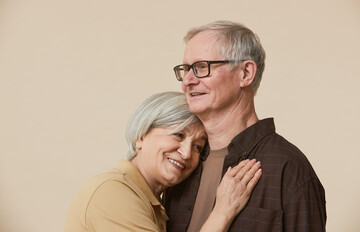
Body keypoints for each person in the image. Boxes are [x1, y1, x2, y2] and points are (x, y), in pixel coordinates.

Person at [164, 21, 327, 231]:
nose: (187, 80)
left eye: (201, 67)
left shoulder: (288, 169)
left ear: (246, 73)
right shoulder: (181, 165)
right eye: (185, 69)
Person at [65, 91, 262, 232]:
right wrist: (222, 213)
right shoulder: (111, 191)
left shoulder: (156, 204)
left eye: (197, 147)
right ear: (141, 136)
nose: (186, 153)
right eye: (178, 135)